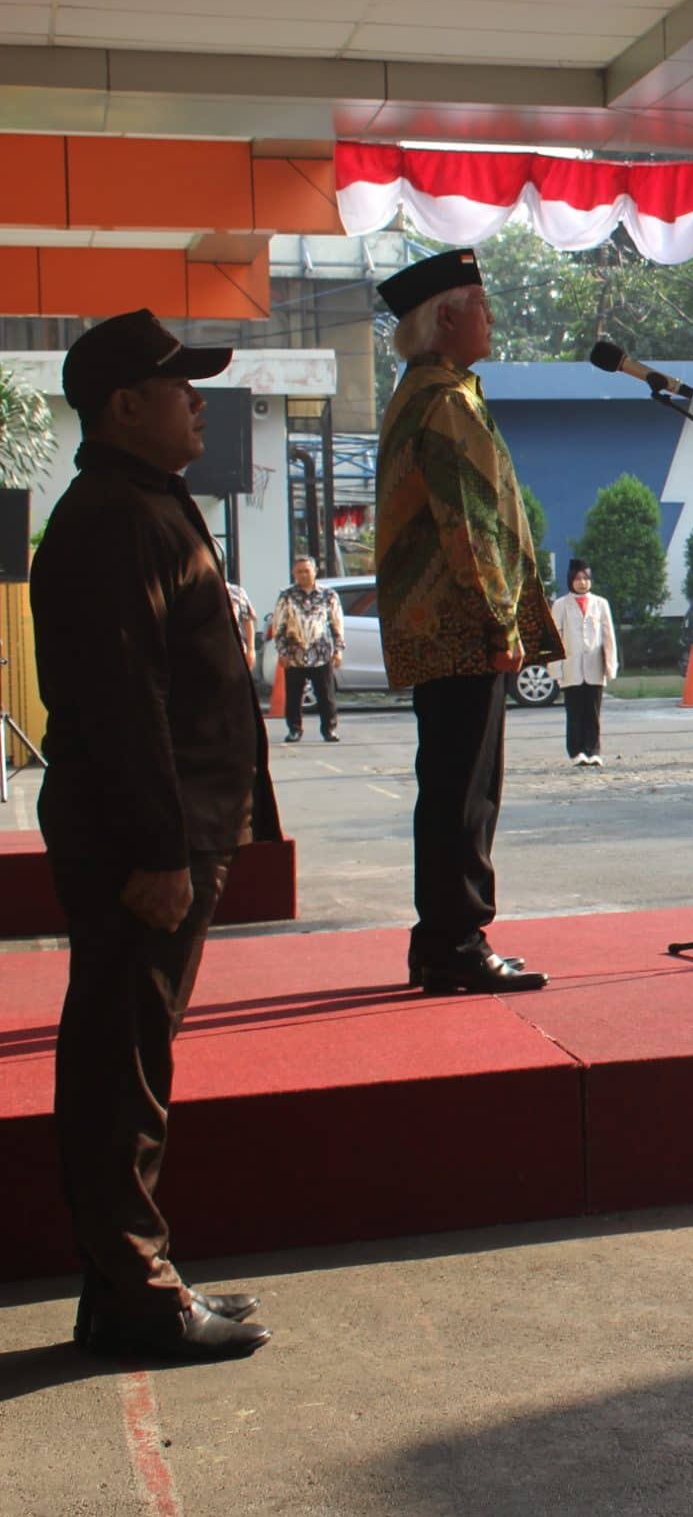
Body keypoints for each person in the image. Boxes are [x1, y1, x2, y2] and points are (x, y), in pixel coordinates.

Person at [36, 309, 279, 1360]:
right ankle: (138, 1296)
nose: (199, 403)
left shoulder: (139, 501)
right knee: (121, 1066)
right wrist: (159, 852)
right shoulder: (114, 517)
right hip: (145, 845)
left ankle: (125, 1287)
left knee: (130, 1056)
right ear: (124, 406)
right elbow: (121, 704)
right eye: (180, 389)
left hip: (170, 833)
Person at [375, 249, 561, 994]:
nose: (491, 317)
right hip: (460, 627)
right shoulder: (446, 401)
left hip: (442, 626)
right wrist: (500, 622)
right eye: (480, 304)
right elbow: (471, 525)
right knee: (465, 790)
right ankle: (457, 939)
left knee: (451, 783)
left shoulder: (426, 391)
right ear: (445, 317)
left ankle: (443, 938)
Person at [267, 555, 344, 744]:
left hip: (321, 653)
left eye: (306, 571)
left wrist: (338, 649)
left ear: (315, 571)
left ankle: (329, 730)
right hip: (294, 654)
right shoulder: (287, 596)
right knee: (293, 696)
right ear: (294, 573)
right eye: (299, 571)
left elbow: (337, 623)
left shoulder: (328, 595)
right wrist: (282, 652)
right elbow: (279, 626)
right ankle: (294, 730)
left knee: (326, 695)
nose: (303, 575)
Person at [550, 557, 618, 767]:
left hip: (594, 666)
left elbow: (608, 636)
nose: (582, 583)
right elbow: (555, 638)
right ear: (571, 580)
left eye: (586, 578)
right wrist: (555, 669)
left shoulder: (600, 603)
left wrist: (610, 666)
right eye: (578, 578)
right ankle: (576, 751)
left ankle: (594, 751)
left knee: (593, 711)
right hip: (571, 666)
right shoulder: (561, 605)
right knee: (575, 712)